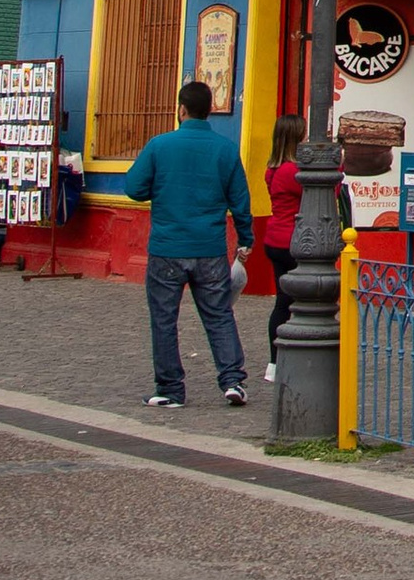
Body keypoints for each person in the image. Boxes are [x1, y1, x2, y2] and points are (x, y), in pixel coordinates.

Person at [122, 80, 256, 408]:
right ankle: (233, 380)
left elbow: (134, 188)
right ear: (209, 109)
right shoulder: (225, 149)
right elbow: (240, 199)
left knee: (164, 318)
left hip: (167, 247)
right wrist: (245, 238)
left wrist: (162, 188)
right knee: (218, 314)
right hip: (209, 247)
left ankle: (170, 389)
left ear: (181, 109)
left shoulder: (159, 145)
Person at [260, 113, 306, 384]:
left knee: (283, 301)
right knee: (292, 303)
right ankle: (280, 360)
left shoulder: (273, 168)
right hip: (293, 241)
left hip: (275, 238)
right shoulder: (291, 172)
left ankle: (275, 361)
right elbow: (324, 192)